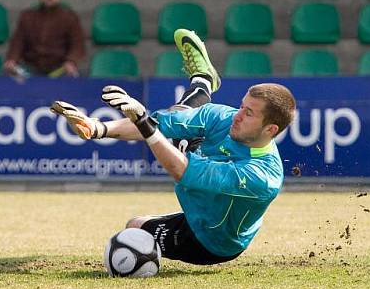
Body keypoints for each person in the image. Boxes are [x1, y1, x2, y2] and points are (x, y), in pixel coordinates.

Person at [50, 29, 296, 265]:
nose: (237, 115)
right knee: (181, 118)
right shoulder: (226, 119)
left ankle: (203, 81)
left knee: (134, 227)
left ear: (270, 130)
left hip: (213, 241)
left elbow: (180, 169)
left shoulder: (262, 176)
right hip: (197, 203)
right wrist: (97, 129)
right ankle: (204, 80)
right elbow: (160, 123)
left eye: (249, 113)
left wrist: (145, 125)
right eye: (241, 106)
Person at [4, 0, 85, 78]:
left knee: (73, 76)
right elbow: (18, 42)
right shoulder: (27, 16)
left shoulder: (69, 17)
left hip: (60, 69)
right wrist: (12, 60)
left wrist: (71, 61)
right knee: (10, 75)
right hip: (31, 68)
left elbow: (78, 44)